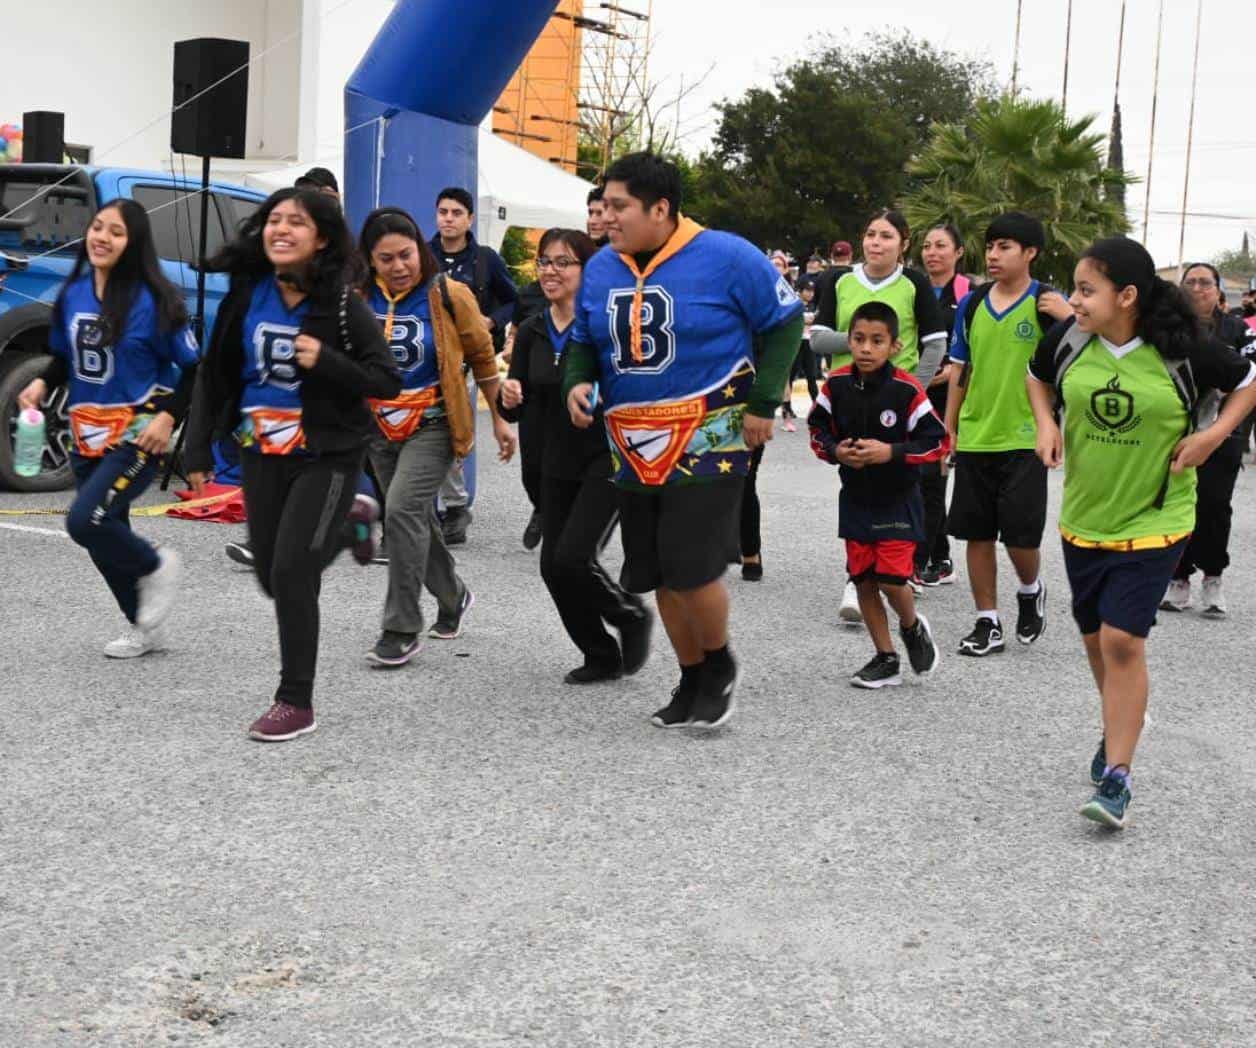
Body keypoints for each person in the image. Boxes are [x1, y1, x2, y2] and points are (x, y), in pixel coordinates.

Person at [563, 151, 804, 730]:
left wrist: (765, 402)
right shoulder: (600, 268)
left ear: (660, 208)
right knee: (654, 573)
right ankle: (690, 674)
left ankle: (719, 663)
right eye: (604, 206)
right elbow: (584, 340)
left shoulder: (728, 255)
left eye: (619, 206)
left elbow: (786, 321)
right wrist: (577, 382)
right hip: (629, 442)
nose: (607, 218)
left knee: (691, 566)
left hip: (712, 433)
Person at [1026, 236, 1256, 828]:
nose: (1072, 300)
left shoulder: (1184, 351)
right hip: (1085, 517)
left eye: (1085, 290)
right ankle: (1118, 721)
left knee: (1122, 641)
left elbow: (1249, 379)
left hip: (1159, 516)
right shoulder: (1070, 340)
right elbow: (1036, 377)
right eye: (1075, 288)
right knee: (1095, 642)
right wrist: (1046, 424)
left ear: (1127, 296)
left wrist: (1212, 436)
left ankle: (1118, 778)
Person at [184, 187, 401, 742]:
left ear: (321, 238)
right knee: (269, 575)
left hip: (326, 454)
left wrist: (326, 360)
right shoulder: (246, 294)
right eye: (274, 220)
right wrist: (197, 446)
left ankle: (295, 701)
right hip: (261, 451)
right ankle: (353, 514)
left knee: (291, 570)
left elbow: (384, 379)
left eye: (297, 222)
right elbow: (215, 372)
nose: (281, 229)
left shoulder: (343, 306)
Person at [17, 199, 196, 657]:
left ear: (132, 243)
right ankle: (144, 626)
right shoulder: (74, 291)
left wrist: (167, 417)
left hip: (137, 435)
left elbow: (197, 369)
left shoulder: (156, 301)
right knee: (103, 535)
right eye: (97, 227)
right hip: (85, 436)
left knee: (84, 520)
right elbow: (65, 357)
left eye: (115, 232)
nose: (101, 237)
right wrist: (41, 382)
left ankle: (157, 565)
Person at [359, 207, 515, 667]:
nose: (398, 266)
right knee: (413, 521)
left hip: (434, 420)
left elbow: (482, 356)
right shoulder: (357, 296)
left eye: (405, 254)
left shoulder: (448, 293)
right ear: (370, 260)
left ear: (418, 251)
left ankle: (401, 627)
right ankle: (454, 595)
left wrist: (501, 420)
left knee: (402, 509)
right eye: (385, 259)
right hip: (379, 426)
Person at [499, 228, 652, 681]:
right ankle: (601, 654)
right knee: (553, 569)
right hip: (552, 462)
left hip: (605, 457)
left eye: (563, 262)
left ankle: (629, 614)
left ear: (588, 270)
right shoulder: (531, 330)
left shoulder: (606, 327)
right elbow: (522, 401)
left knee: (572, 559)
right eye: (545, 261)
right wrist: (510, 396)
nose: (550, 271)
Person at [814, 209, 949, 625]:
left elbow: (935, 344)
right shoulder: (838, 281)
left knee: (900, 482)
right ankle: (859, 576)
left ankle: (899, 565)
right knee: (854, 478)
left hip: (896, 403)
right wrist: (861, 343)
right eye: (870, 234)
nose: (876, 242)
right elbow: (818, 339)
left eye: (886, 236)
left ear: (903, 244)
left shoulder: (915, 283)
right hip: (851, 398)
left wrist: (914, 391)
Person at [945, 212, 1071, 656]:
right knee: (976, 534)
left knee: (1020, 538)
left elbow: (1090, 354)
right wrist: (951, 424)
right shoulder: (973, 303)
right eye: (991, 246)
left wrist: (1070, 316)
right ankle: (987, 622)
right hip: (978, 434)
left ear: (1031, 253)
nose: (994, 255)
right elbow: (960, 366)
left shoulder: (1049, 304)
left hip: (1026, 438)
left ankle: (1030, 588)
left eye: (1005, 247)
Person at [807, 301, 948, 687]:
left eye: (877, 341)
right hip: (855, 499)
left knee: (890, 579)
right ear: (848, 341)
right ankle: (886, 658)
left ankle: (912, 625)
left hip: (898, 499)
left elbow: (937, 441)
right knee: (864, 580)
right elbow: (817, 431)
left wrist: (892, 452)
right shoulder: (834, 386)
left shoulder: (907, 390)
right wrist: (836, 451)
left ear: (895, 346)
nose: (866, 348)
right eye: (858, 339)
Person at [1160, 263, 1256, 617]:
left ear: (1218, 291)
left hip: (1222, 433)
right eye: (1190, 282)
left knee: (1215, 506)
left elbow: (1248, 377)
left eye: (1205, 283)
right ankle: (1178, 578)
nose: (1197, 288)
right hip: (1176, 433)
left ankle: (1213, 578)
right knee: (1177, 504)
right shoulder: (1169, 330)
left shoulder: (1238, 330)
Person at [430, 186, 519, 545]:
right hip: (427, 357)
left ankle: (454, 506)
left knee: (454, 427)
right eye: (442, 212)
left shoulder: (485, 260)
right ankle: (433, 504)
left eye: (455, 213)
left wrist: (492, 323)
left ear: (469, 219)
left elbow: (513, 299)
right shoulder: (422, 254)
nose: (448, 219)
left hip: (466, 359)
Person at [916, 222, 970, 587]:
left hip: (948, 396)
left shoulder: (969, 293)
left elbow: (973, 349)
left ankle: (917, 563)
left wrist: (951, 372)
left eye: (941, 246)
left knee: (932, 479)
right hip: (912, 394)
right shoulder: (913, 287)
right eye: (926, 245)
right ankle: (940, 553)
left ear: (958, 252)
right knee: (914, 477)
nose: (932, 252)